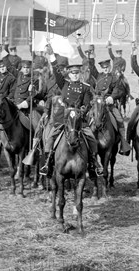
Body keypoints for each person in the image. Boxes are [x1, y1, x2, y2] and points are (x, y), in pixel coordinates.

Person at [39, 45, 103, 177]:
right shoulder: (64, 84)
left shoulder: (85, 87)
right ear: (69, 74)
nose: (75, 75)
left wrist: (81, 111)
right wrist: (52, 56)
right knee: (50, 138)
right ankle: (48, 163)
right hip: (63, 120)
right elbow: (57, 72)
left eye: (77, 73)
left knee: (91, 139)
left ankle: (93, 164)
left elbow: (86, 104)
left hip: (78, 121)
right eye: (72, 73)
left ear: (80, 74)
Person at [90, 58, 132, 156]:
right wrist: (91, 56)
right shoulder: (98, 75)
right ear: (101, 68)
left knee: (120, 120)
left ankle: (123, 143)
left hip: (109, 105)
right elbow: (92, 67)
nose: (105, 69)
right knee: (87, 118)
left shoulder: (114, 78)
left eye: (107, 67)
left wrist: (112, 97)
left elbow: (118, 89)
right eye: (103, 68)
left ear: (110, 67)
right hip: (97, 103)